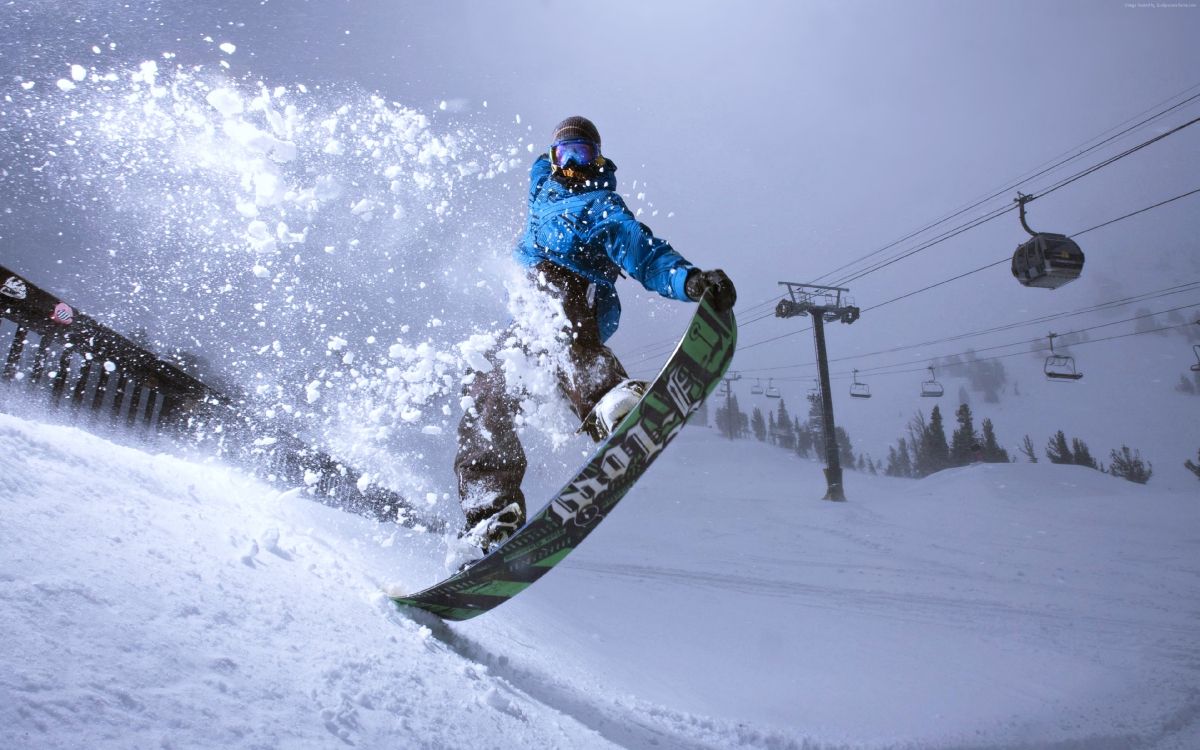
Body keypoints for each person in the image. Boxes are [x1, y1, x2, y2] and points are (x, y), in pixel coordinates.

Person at [453, 116, 736, 557]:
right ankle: (489, 511)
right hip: (532, 323)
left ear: (597, 158)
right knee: (484, 383)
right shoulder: (541, 189)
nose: (574, 165)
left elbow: (645, 253)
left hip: (577, 303)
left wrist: (690, 280)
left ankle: (608, 397)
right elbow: (539, 172)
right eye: (565, 156)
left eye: (583, 155)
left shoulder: (603, 204)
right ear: (551, 160)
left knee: (554, 296)